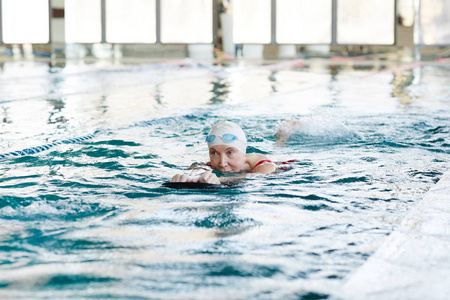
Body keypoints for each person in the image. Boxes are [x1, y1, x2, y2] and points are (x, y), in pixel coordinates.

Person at [171, 121, 276, 184]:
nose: (222, 163)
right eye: (215, 153)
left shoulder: (266, 166)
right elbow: (197, 169)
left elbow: (253, 178)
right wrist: (188, 178)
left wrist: (220, 180)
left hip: (284, 159)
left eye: (230, 153)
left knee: (278, 146)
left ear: (242, 154)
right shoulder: (209, 165)